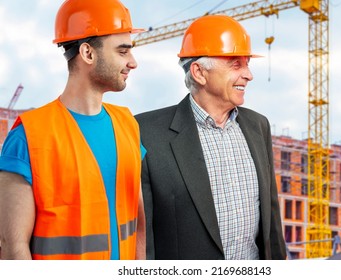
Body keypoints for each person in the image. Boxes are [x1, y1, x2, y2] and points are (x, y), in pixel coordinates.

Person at [0, 0, 146, 260]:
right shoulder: (29, 135)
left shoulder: (128, 125)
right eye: (123, 52)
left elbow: (137, 225)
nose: (133, 62)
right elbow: (13, 249)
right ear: (88, 53)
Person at [135, 15, 286, 260]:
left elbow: (271, 222)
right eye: (236, 65)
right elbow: (143, 237)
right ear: (199, 72)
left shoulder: (258, 126)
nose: (249, 75)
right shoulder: (146, 132)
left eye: (247, 64)